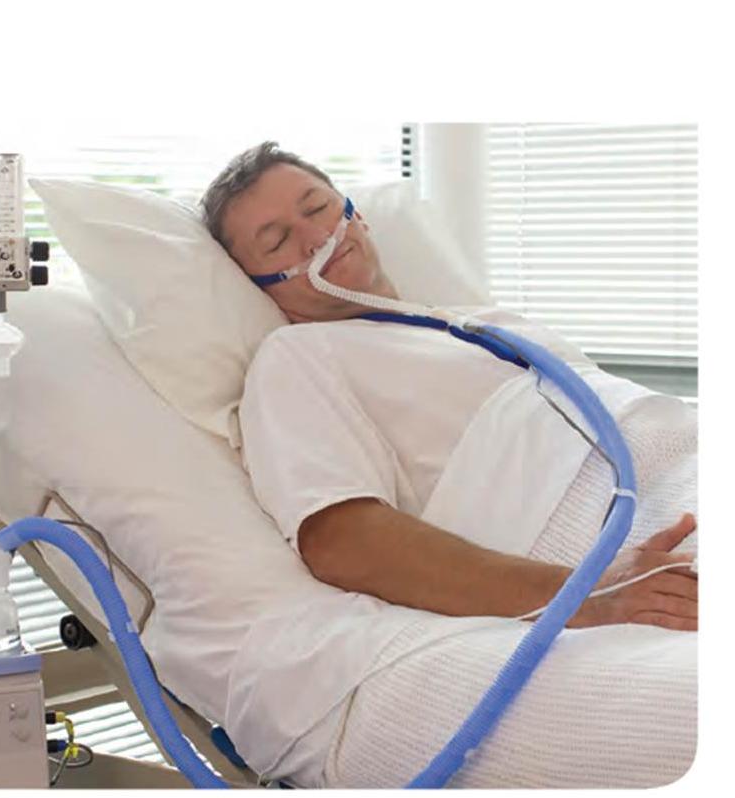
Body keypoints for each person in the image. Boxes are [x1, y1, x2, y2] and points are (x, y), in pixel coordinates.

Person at [201, 141, 698, 632]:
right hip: (626, 529)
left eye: (317, 208)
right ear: (258, 284)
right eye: (277, 242)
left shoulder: (484, 324)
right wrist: (586, 596)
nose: (316, 238)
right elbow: (341, 540)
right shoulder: (297, 357)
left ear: (358, 216)